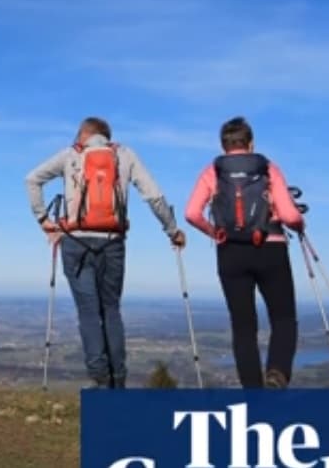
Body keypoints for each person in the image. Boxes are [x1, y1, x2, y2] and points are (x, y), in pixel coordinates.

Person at [25, 116, 186, 389]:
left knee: (88, 312)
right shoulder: (123, 155)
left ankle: (100, 378)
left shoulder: (70, 155)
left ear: (83, 135)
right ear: (107, 137)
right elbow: (154, 196)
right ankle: (118, 379)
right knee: (111, 310)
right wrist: (172, 230)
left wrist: (43, 220)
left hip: (76, 243)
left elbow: (32, 179)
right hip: (113, 242)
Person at [184, 116, 304, 389]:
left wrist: (214, 232)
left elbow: (191, 213)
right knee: (283, 318)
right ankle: (277, 372)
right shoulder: (267, 168)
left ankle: (253, 393)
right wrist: (299, 222)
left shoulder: (212, 171)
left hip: (230, 253)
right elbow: (288, 214)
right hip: (270, 248)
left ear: (224, 145)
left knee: (243, 327)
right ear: (250, 144)